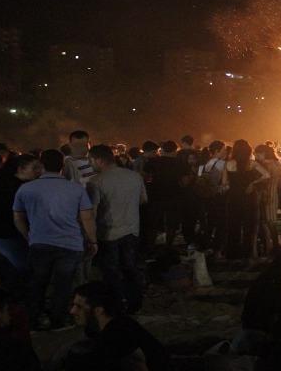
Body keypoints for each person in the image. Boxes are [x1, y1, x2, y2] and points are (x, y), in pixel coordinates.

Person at [13, 149, 98, 329]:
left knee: (38, 284)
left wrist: (28, 236)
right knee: (63, 285)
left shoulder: (26, 188)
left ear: (41, 165)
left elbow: (18, 217)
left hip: (40, 242)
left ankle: (33, 320)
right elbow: (87, 217)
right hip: (70, 244)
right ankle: (57, 320)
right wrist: (92, 240)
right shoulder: (75, 189)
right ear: (62, 165)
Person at [87, 144, 147, 313]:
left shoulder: (96, 181)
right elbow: (143, 200)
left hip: (108, 232)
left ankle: (116, 303)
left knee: (111, 271)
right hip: (132, 229)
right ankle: (135, 302)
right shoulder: (134, 176)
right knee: (130, 268)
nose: (90, 164)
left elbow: (92, 210)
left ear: (98, 160)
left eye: (90, 160)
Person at [0, 154, 41, 277]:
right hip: (11, 234)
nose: (39, 171)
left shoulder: (2, 183)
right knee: (22, 269)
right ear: (20, 169)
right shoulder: (19, 188)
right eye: (35, 168)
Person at [223, 139, 270, 260]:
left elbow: (224, 183)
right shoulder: (252, 163)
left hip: (233, 197)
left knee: (233, 226)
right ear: (248, 151)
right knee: (249, 227)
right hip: (249, 197)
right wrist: (253, 183)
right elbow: (267, 175)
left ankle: (232, 254)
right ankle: (247, 254)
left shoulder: (228, 163)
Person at [144, 140, 186, 247]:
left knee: (153, 223)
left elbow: (146, 178)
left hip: (155, 196)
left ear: (162, 149)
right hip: (174, 197)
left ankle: (150, 246)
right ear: (175, 150)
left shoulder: (153, 162)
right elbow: (184, 181)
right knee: (171, 224)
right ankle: (168, 245)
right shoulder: (180, 163)